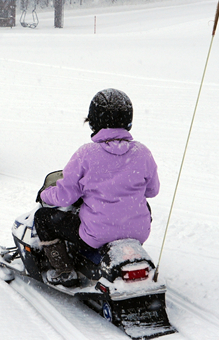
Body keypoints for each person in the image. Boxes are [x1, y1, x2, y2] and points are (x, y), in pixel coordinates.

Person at [34, 89, 160, 285]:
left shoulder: (86, 154)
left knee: (43, 219)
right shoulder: (142, 152)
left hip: (97, 234)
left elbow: (65, 196)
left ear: (94, 121)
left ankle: (64, 271)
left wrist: (45, 194)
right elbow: (152, 191)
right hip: (138, 232)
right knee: (143, 205)